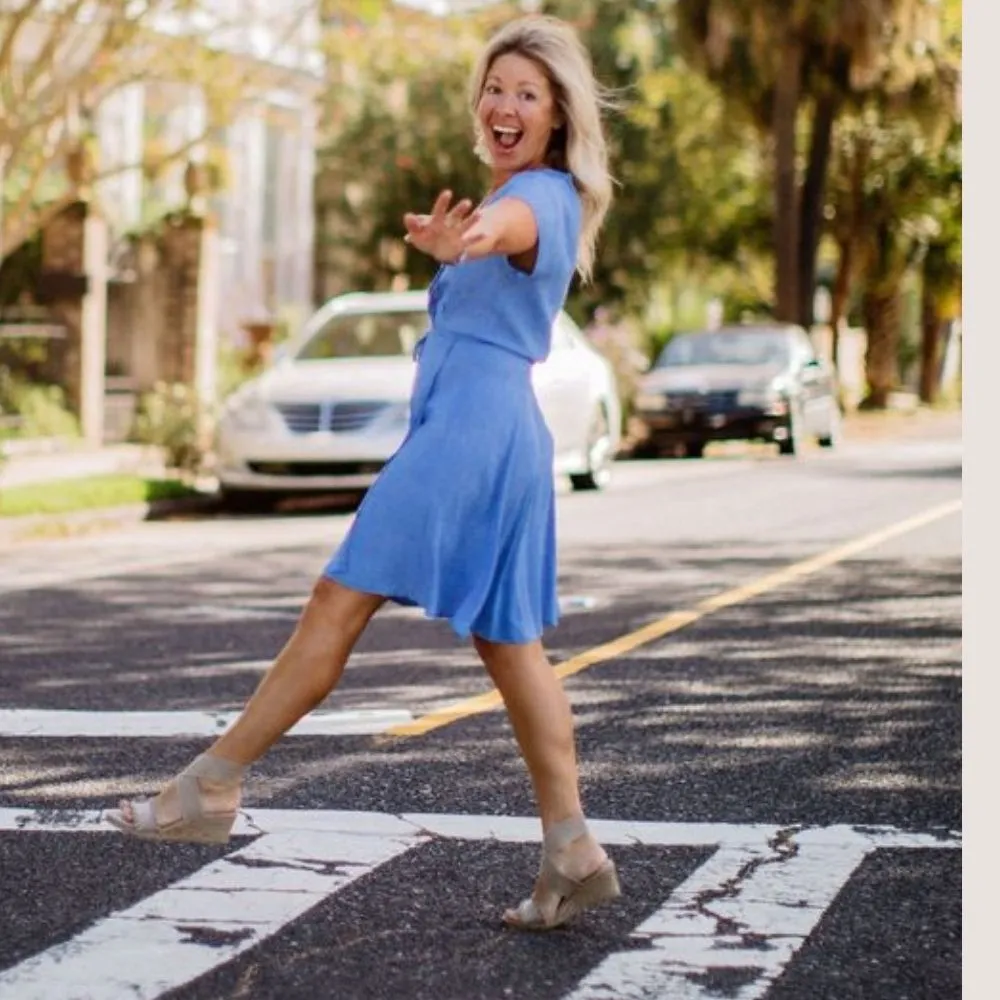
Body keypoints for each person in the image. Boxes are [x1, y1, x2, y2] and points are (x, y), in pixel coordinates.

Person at [106, 13, 620, 932]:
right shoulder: (532, 194)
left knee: (337, 603)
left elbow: (500, 231)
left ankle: (211, 785)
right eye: (496, 88)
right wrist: (458, 243)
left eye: (527, 95)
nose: (505, 105)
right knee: (511, 647)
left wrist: (465, 242)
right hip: (496, 433)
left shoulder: (536, 200)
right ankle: (571, 847)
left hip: (469, 436)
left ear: (555, 118)